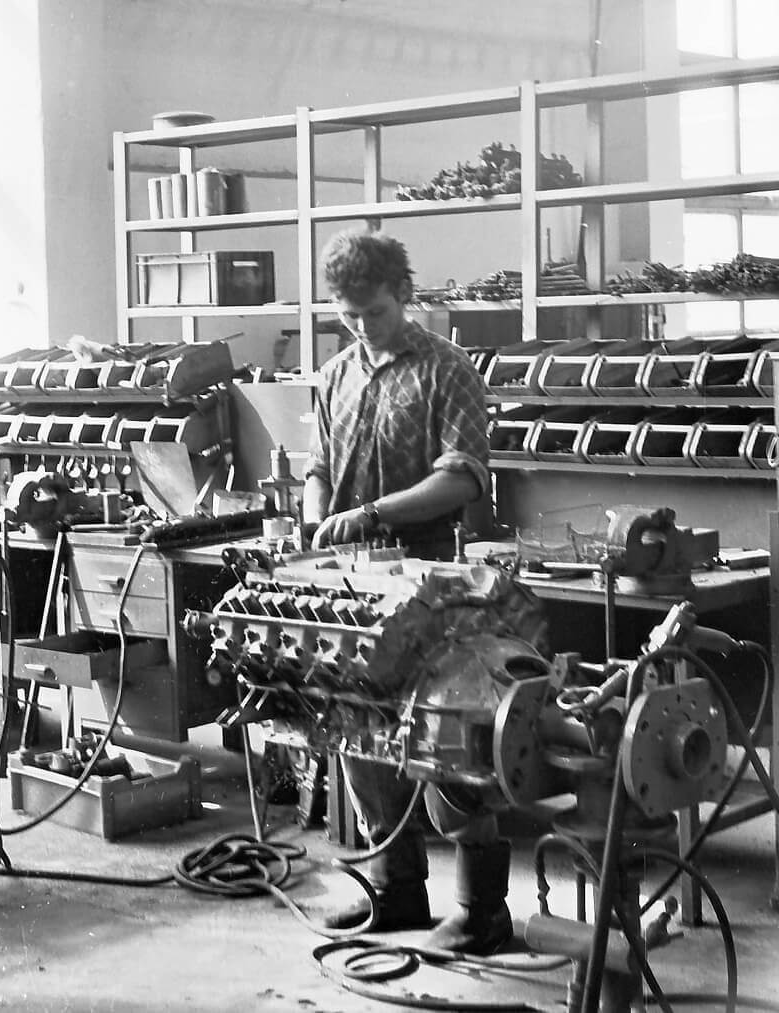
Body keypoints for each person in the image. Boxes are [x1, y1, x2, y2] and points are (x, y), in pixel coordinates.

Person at [303, 228, 514, 955]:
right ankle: (395, 895)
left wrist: (371, 512)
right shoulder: (334, 376)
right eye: (350, 315)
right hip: (351, 581)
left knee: (447, 746)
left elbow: (462, 476)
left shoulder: (446, 369)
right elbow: (318, 465)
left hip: (436, 586)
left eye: (377, 313)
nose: (363, 328)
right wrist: (315, 509)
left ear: (406, 296)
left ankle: (483, 909)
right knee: (354, 730)